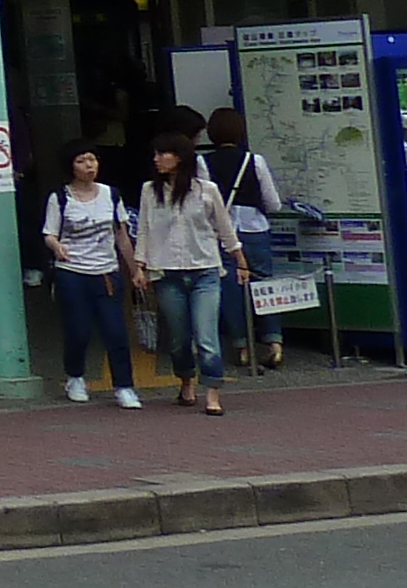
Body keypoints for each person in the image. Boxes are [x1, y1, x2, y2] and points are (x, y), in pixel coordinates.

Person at [133, 125, 244, 414]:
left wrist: (240, 261)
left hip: (205, 269)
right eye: (155, 154)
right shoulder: (149, 191)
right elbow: (143, 230)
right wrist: (139, 267)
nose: (157, 159)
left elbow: (225, 229)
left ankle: (213, 393)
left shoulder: (206, 191)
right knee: (179, 339)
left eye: (163, 153)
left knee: (206, 335)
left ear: (180, 157)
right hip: (166, 272)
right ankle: (186, 382)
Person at [39, 141, 141, 406]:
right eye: (82, 161)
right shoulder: (60, 198)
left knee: (115, 330)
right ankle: (75, 376)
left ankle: (124, 386)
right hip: (72, 272)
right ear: (71, 166)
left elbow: (122, 236)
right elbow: (49, 233)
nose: (89, 166)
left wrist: (135, 269)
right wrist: (56, 246)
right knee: (78, 330)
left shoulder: (111, 194)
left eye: (92, 160)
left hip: (106, 272)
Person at [199, 106, 287, 374]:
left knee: (230, 288)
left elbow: (203, 203)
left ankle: (242, 345)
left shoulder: (203, 163)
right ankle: (274, 343)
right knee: (264, 283)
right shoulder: (254, 160)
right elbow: (273, 203)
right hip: (254, 228)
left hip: (221, 233)